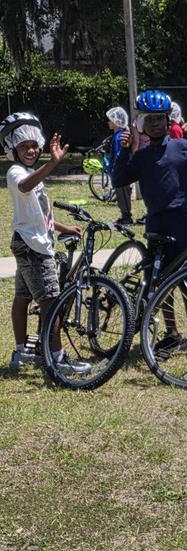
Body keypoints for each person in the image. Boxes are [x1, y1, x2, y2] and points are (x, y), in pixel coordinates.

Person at [2, 113, 87, 373]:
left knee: (23, 296)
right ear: (11, 149)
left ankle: (22, 353)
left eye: (34, 145)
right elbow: (26, 187)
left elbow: (39, 213)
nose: (30, 150)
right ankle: (57, 359)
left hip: (29, 241)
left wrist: (62, 227)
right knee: (51, 301)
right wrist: (53, 163)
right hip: (33, 247)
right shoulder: (16, 172)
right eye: (23, 146)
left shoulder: (29, 170)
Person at [112, 89, 187, 267]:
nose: (155, 124)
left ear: (168, 120)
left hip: (183, 220)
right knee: (155, 280)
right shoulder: (142, 156)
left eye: (159, 118)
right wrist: (124, 150)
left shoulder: (182, 147)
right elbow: (118, 180)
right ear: (141, 124)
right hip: (156, 221)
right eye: (149, 119)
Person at [105, 106, 133, 224]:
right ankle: (124, 215)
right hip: (117, 171)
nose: (108, 122)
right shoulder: (117, 135)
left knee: (123, 194)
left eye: (110, 120)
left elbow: (119, 154)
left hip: (120, 170)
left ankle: (127, 217)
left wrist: (115, 168)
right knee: (120, 195)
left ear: (116, 122)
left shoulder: (120, 136)